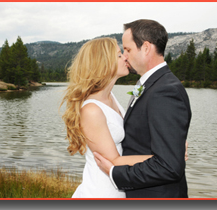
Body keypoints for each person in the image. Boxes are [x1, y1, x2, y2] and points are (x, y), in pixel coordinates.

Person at [94, 19, 192, 198]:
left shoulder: (164, 91)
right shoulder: (153, 85)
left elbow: (169, 166)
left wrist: (115, 172)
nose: (124, 56)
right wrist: (174, 147)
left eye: (128, 49)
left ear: (146, 48)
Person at [60, 37, 153, 198]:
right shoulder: (91, 110)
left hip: (118, 188)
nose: (125, 57)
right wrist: (166, 159)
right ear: (103, 63)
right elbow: (114, 161)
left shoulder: (110, 97)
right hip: (100, 192)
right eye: (118, 55)